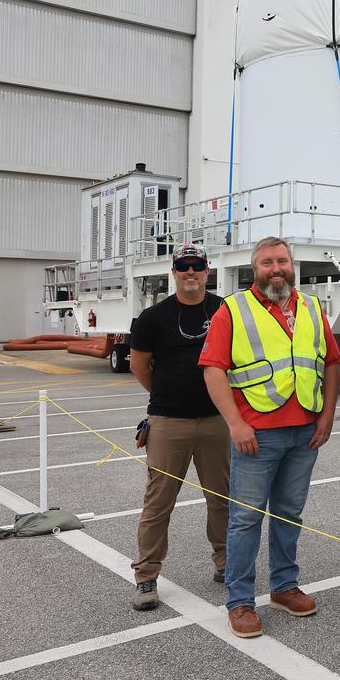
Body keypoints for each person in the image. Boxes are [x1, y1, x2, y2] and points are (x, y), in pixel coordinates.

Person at [200, 236, 340, 638]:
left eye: (282, 261)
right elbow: (213, 370)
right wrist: (235, 424)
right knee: (245, 519)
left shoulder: (312, 307)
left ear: (292, 265)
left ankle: (283, 587)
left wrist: (327, 416)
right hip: (256, 435)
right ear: (254, 269)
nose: (275, 269)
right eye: (266, 262)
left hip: (305, 433)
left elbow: (330, 363)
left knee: (288, 514)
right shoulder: (234, 309)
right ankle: (240, 601)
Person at [128, 243, 229, 611]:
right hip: (169, 422)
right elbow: (140, 367)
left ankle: (225, 562)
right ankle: (146, 576)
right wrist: (166, 396)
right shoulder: (153, 318)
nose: (190, 272)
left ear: (207, 271)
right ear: (173, 272)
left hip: (217, 421)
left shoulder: (224, 309)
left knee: (222, 498)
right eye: (183, 266)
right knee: (158, 503)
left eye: (197, 266)